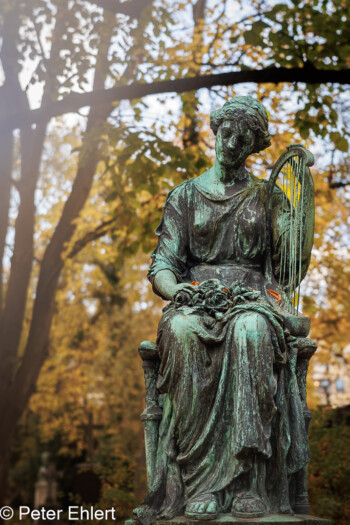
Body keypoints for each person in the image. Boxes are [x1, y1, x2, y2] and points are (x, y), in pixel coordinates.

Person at [134, 96, 312, 524]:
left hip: (253, 300)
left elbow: (291, 263)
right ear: (216, 132)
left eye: (244, 136)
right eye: (226, 131)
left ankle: (248, 482)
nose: (231, 142)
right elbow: (163, 263)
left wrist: (301, 208)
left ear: (254, 144)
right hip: (194, 299)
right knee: (180, 333)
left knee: (250, 332)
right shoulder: (185, 196)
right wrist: (176, 291)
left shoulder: (269, 197)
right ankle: (200, 484)